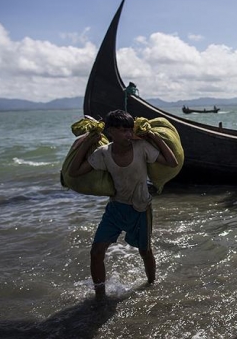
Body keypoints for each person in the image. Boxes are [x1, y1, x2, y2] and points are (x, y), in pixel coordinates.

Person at [67, 109, 178, 300]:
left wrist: (152, 135)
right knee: (96, 252)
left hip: (141, 209)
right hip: (116, 209)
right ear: (110, 132)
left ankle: (152, 286)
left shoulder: (142, 147)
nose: (128, 134)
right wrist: (88, 141)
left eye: (129, 130)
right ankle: (100, 297)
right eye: (123, 131)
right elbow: (74, 171)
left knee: (145, 251)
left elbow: (171, 161)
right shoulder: (103, 153)